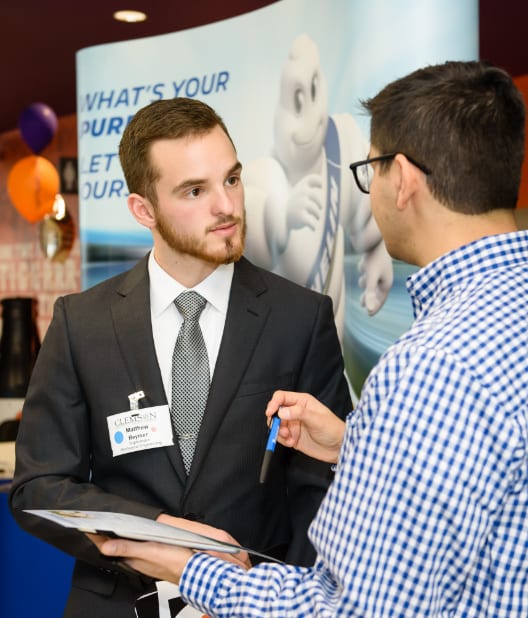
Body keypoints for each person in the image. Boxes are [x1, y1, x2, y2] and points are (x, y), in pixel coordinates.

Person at [89, 60, 528, 616]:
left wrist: (193, 569)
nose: (225, 204)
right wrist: (358, 447)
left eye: (373, 170)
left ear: (406, 182)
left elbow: (351, 609)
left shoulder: (432, 366)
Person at [8, 97, 352, 618]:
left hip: (256, 602)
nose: (228, 206)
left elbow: (319, 488)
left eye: (231, 179)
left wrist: (281, 599)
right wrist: (156, 531)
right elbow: (40, 486)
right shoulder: (81, 323)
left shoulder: (300, 317)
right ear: (143, 209)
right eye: (196, 190)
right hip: (118, 602)